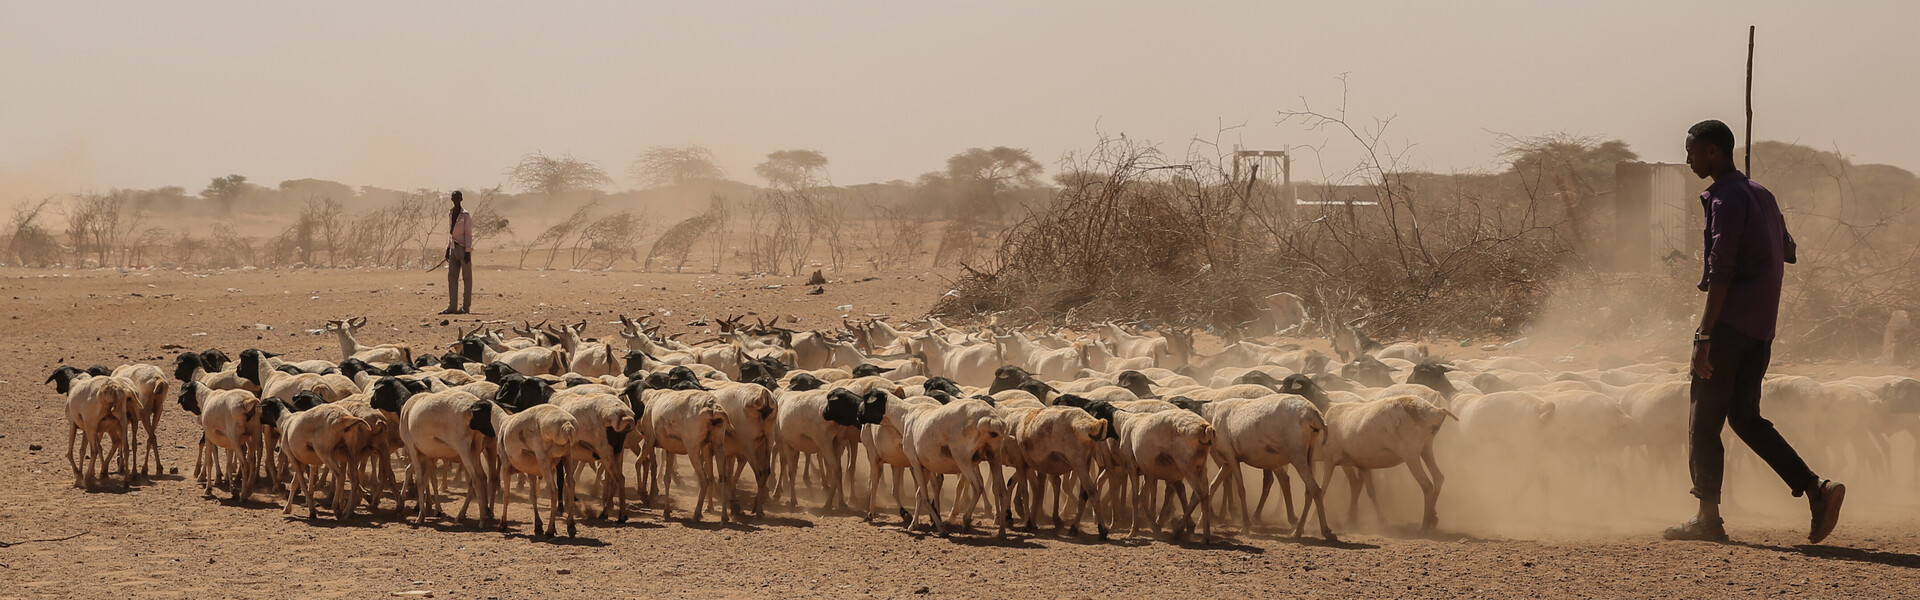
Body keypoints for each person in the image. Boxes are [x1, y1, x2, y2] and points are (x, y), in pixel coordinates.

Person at [1663, 119, 1843, 544]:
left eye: (1692, 150)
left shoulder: (1724, 198)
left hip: (1728, 326)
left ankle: (1707, 518)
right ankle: (1817, 488)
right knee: (1745, 417)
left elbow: (1720, 268)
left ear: (1712, 152)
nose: (1687, 158)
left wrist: (1704, 336)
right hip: (1762, 328)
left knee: (1703, 421)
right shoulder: (1761, 194)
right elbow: (1788, 251)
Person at [442, 190, 474, 315]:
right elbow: (451, 233)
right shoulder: (451, 213)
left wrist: (467, 251)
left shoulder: (465, 215)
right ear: (451, 199)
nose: (455, 200)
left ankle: (465, 307)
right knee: (452, 277)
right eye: (453, 198)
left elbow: (469, 234)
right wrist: (448, 248)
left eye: (457, 198)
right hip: (453, 248)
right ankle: (452, 307)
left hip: (463, 248)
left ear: (461, 199)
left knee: (467, 279)